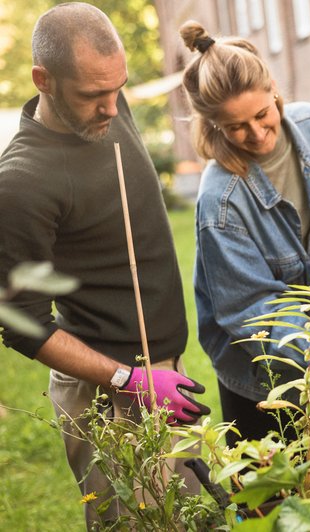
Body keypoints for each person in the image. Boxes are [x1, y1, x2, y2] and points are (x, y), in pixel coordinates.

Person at [0, 3, 210, 527]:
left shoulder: (106, 106)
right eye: (93, 94)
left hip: (166, 379)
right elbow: (18, 321)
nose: (112, 108)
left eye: (117, 87)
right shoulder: (21, 182)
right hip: (108, 396)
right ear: (43, 80)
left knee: (196, 518)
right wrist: (130, 380)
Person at [179, 21, 310, 447]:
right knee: (273, 502)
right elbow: (250, 308)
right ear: (213, 125)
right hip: (260, 378)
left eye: (262, 114)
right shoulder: (221, 202)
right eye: (235, 127)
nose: (255, 134)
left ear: (273, 88)